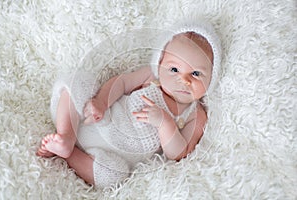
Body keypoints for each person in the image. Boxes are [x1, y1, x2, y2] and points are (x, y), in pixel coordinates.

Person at [37, 19, 221, 188]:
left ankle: (69, 155)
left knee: (114, 176)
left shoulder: (195, 114)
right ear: (160, 64)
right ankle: (66, 136)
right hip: (93, 118)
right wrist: (101, 102)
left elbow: (179, 153)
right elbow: (122, 82)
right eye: (174, 69)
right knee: (77, 80)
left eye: (196, 74)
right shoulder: (151, 77)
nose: (184, 80)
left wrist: (165, 123)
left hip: (108, 157)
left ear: (211, 78)